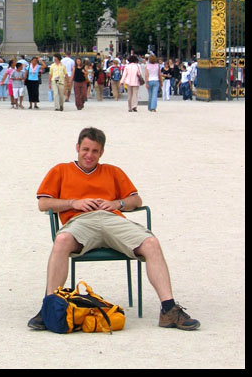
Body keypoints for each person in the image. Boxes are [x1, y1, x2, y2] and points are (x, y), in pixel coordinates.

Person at [27, 126, 200, 332]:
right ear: (77, 148)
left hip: (112, 219)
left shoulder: (112, 171)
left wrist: (117, 204)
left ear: (102, 152)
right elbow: (43, 204)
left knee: (151, 243)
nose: (89, 155)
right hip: (81, 221)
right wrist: (74, 203)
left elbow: (136, 199)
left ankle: (169, 309)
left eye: (95, 151)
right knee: (62, 241)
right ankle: (49, 307)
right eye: (85, 149)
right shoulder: (61, 170)